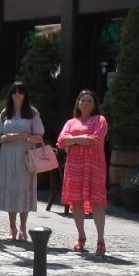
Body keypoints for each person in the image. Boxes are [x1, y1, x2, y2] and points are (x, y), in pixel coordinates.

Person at [57, 90, 109, 255]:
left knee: (97, 202)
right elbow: (61, 142)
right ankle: (81, 236)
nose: (85, 103)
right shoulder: (71, 122)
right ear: (78, 103)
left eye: (89, 101)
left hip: (94, 166)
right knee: (76, 201)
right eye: (83, 100)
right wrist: (82, 139)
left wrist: (73, 141)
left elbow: (96, 140)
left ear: (94, 105)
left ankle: (100, 239)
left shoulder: (100, 120)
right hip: (74, 166)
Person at [0, 83, 45, 242]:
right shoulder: (5, 113)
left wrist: (25, 137)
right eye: (14, 92)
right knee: (10, 188)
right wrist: (7, 137)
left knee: (23, 189)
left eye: (20, 92)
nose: (17, 94)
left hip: (24, 155)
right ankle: (12, 227)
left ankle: (23, 227)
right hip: (8, 155)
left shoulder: (32, 112)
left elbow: (39, 137)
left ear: (25, 94)